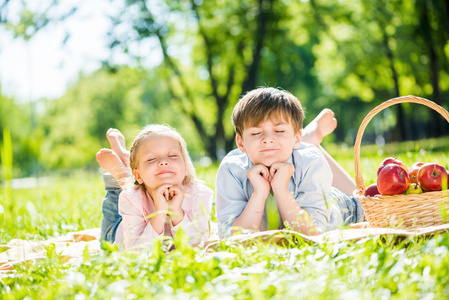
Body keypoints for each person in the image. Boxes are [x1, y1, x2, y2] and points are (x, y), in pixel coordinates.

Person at [215, 87, 364, 238]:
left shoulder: (311, 162)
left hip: (333, 203)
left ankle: (309, 141)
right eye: (256, 133)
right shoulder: (231, 169)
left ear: (296, 138)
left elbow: (312, 234)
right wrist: (259, 193)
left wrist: (281, 189)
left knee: (364, 201)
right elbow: (232, 239)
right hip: (296, 160)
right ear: (240, 142)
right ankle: (308, 139)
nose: (267, 139)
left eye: (279, 131)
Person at [96, 125, 213, 250]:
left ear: (186, 167)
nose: (164, 161)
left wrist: (177, 212)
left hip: (140, 191)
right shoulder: (131, 198)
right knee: (107, 242)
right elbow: (136, 252)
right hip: (122, 233)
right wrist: (159, 213)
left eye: (172, 155)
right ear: (138, 175)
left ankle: (125, 167)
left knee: (130, 188)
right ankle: (121, 173)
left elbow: (197, 246)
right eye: (151, 158)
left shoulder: (200, 195)